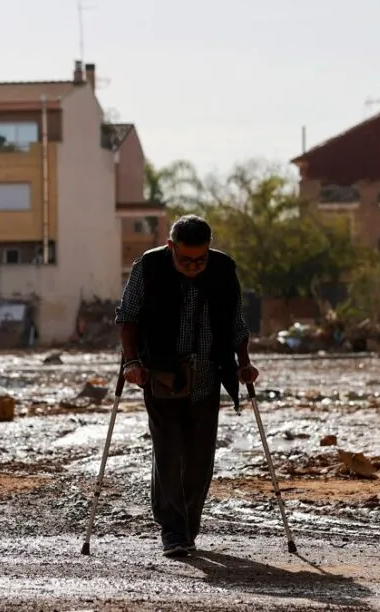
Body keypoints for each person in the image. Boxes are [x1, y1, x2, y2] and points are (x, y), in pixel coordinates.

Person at [115, 214, 259, 558]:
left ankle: (188, 525)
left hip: (208, 372)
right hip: (161, 373)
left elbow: (236, 320)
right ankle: (173, 528)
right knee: (168, 450)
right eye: (185, 259)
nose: (194, 266)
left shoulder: (223, 268)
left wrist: (244, 362)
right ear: (170, 247)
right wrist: (132, 362)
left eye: (201, 259)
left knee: (198, 454)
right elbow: (127, 317)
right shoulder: (148, 267)